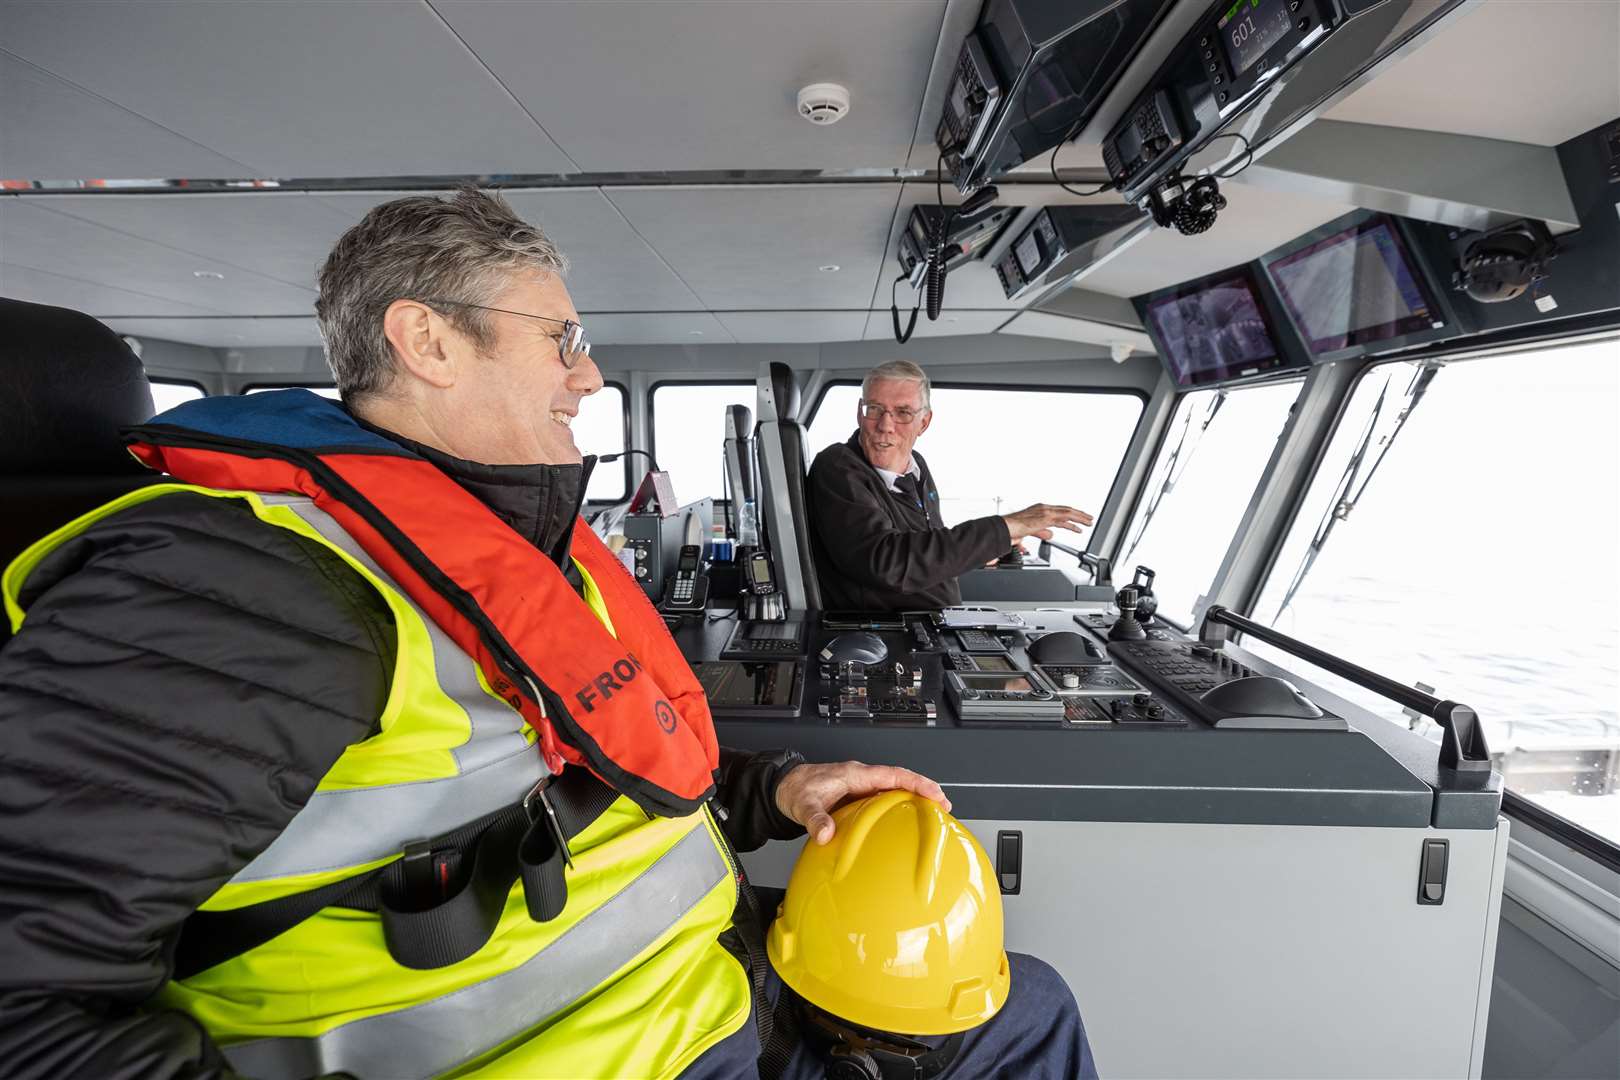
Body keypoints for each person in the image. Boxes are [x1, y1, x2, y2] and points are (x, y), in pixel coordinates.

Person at [0, 189, 1093, 1078]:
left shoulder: (510, 548)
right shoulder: (228, 589)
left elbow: (579, 763)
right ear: (426, 339)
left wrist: (769, 794)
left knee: (1031, 1000)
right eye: (563, 338)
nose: (590, 373)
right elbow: (27, 1002)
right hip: (594, 1045)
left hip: (701, 982)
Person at [806, 360, 1094, 611]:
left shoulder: (916, 467)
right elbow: (887, 563)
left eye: (903, 412)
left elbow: (926, 548)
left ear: (924, 422)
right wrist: (1003, 528)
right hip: (886, 637)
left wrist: (985, 551)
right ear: (860, 412)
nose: (886, 425)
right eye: (875, 409)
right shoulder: (838, 468)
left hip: (932, 625)